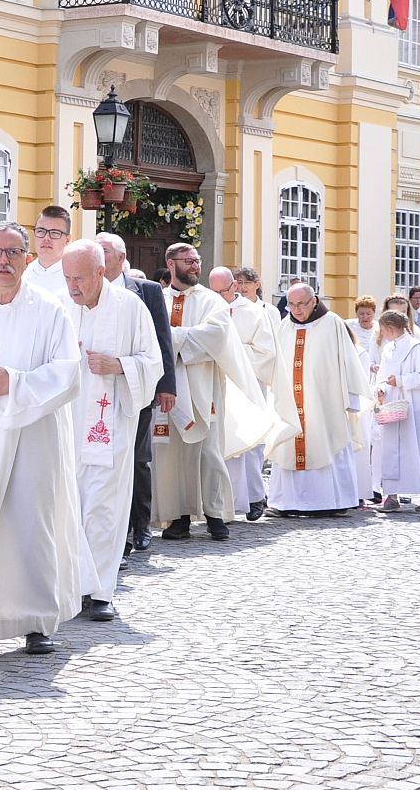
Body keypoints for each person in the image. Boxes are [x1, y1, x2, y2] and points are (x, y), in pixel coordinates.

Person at [0, 223, 84, 654]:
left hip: (36, 432)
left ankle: (37, 618)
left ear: (27, 259)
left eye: (13, 253)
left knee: (32, 522)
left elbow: (68, 371)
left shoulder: (50, 308)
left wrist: (14, 384)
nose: (3, 261)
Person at [63, 239, 162, 624]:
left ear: (102, 272)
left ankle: (100, 590)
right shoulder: (59, 305)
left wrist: (119, 365)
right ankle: (70, 586)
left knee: (104, 507)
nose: (73, 288)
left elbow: (153, 362)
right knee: (68, 505)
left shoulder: (130, 308)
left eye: (81, 279)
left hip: (110, 423)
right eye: (68, 278)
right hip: (67, 422)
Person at [156, 243, 270, 539]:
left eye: (197, 260)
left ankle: (216, 514)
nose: (195, 266)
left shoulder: (212, 301)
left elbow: (216, 337)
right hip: (168, 390)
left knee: (209, 454)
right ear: (171, 264)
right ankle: (178, 517)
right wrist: (177, 341)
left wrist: (170, 340)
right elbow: (150, 337)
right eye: (189, 261)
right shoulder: (158, 300)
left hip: (204, 388)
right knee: (172, 456)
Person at [96, 233, 176, 555]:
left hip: (137, 385)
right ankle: (114, 530)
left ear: (120, 256)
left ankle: (141, 526)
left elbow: (161, 339)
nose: (98, 257)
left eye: (103, 252)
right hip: (98, 390)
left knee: (137, 458)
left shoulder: (147, 290)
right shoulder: (87, 286)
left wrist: (166, 386)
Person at [265, 283, 369, 515]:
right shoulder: (285, 326)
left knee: (328, 441)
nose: (297, 310)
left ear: (314, 301)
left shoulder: (332, 323)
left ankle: (331, 502)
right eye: (291, 304)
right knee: (288, 445)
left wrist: (351, 400)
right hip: (292, 401)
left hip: (325, 403)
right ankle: (287, 502)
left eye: (301, 304)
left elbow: (347, 362)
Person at [370, 310, 420, 512]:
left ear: (389, 328)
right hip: (393, 407)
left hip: (416, 408)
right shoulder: (389, 348)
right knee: (391, 451)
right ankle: (391, 495)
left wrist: (400, 381)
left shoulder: (416, 347)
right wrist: (380, 388)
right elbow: (382, 374)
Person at [212, 266, 277, 521]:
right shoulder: (210, 309)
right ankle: (224, 501)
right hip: (219, 385)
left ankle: (254, 497)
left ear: (234, 288)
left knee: (250, 446)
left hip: (248, 385)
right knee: (222, 442)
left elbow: (266, 352)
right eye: (214, 291)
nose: (218, 296)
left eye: (223, 291)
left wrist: (233, 354)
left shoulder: (254, 313)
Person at [348, 296, 382, 502]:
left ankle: (372, 484)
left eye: (368, 313)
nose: (365, 317)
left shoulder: (377, 330)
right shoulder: (349, 327)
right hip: (362, 377)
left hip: (373, 379)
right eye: (361, 313)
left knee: (370, 436)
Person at [26, 205, 72, 298]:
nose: (46, 238)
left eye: (54, 233)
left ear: (67, 239)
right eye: (41, 231)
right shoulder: (22, 276)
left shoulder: (75, 278)